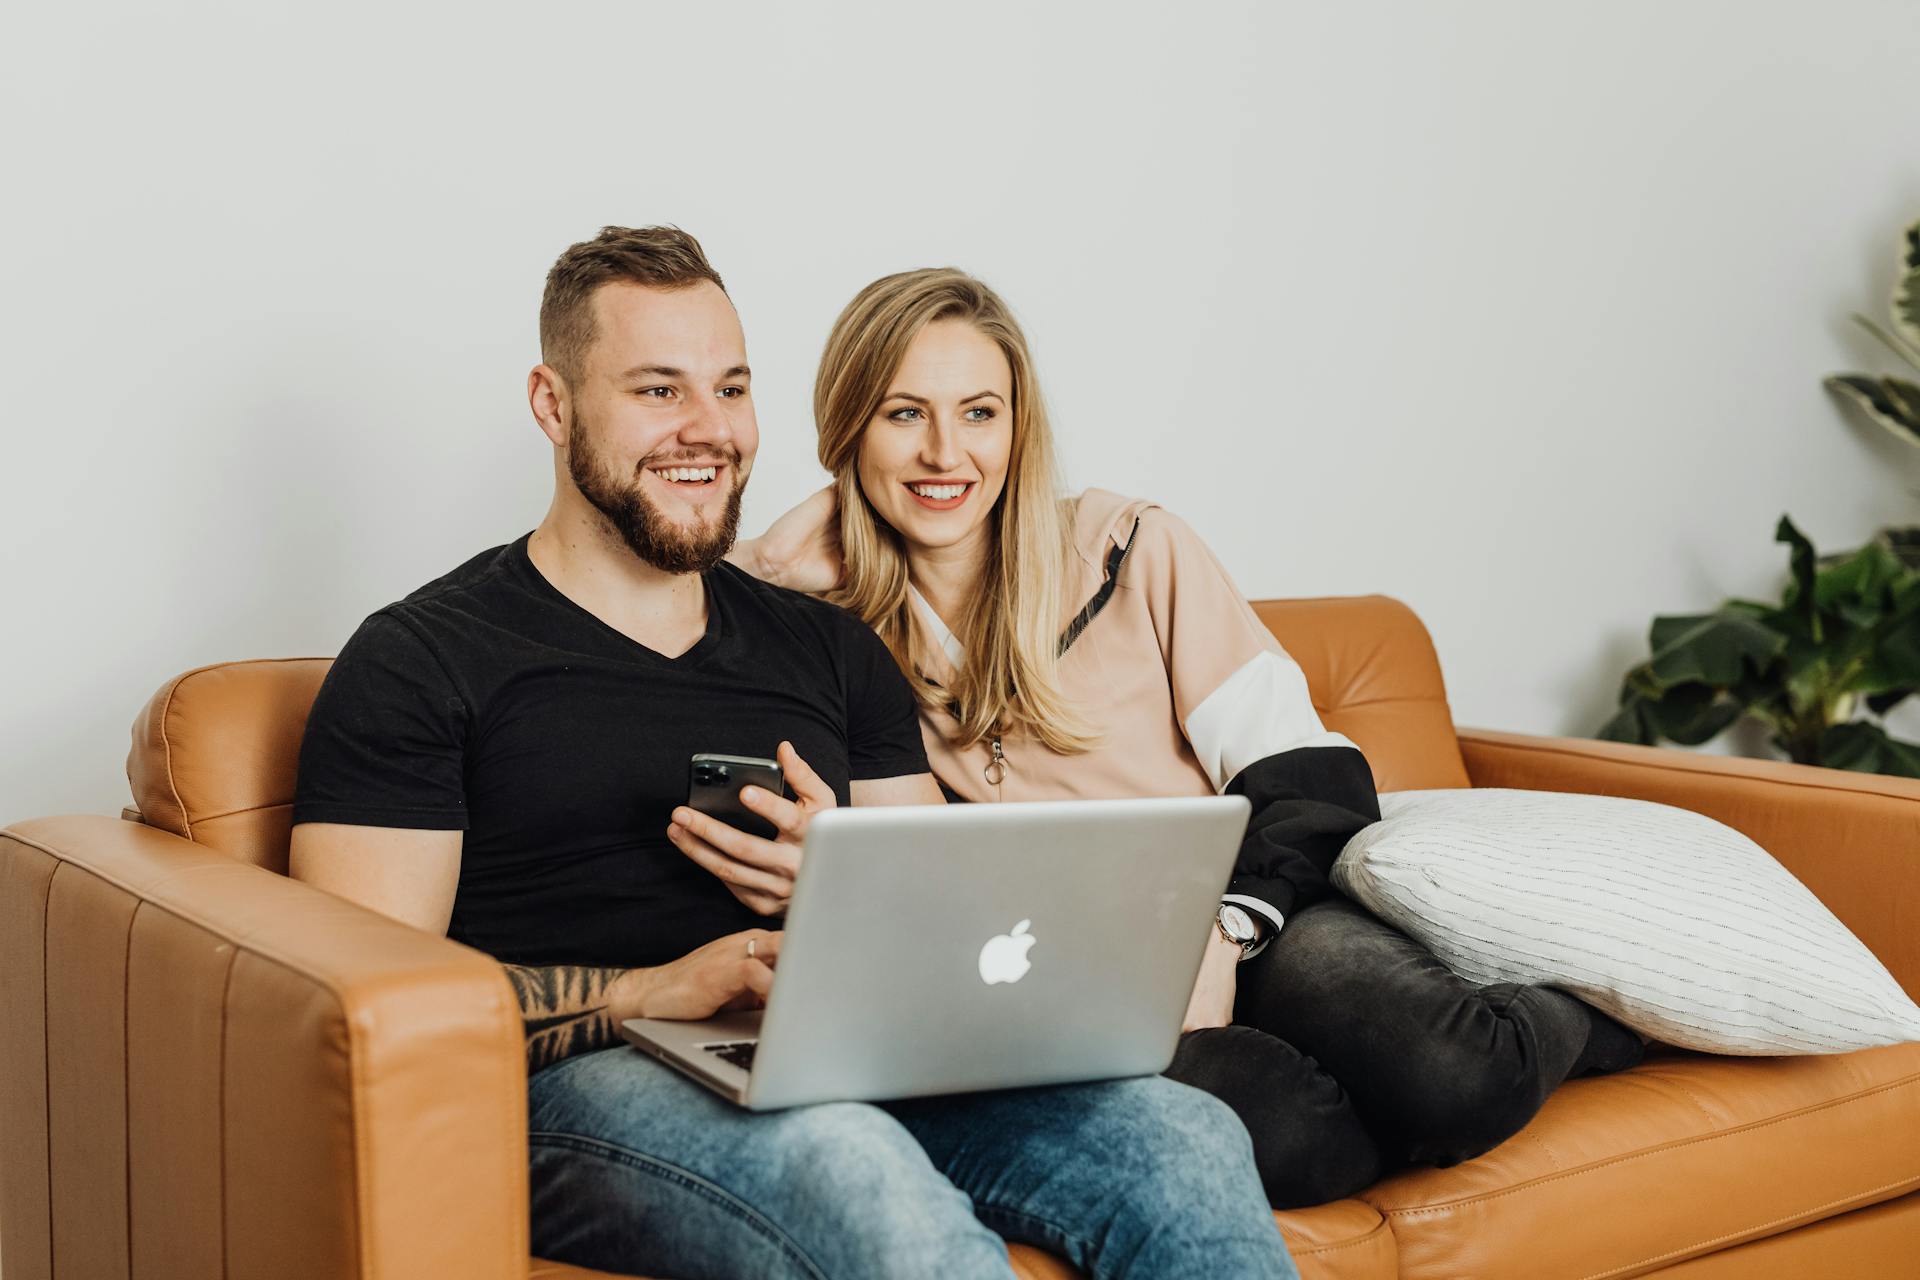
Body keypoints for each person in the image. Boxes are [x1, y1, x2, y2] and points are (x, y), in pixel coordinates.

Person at [285, 227, 1297, 1280]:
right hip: (586, 1077)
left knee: (1183, 1139)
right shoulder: (422, 659)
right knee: (849, 1166)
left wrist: (849, 876)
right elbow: (357, 1005)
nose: (710, 429)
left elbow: (949, 930)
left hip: (845, 1051)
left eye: (731, 389)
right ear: (552, 403)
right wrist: (647, 991)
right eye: (659, 390)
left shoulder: (830, 648)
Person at [727, 267, 1646, 1207]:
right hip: (1080, 984)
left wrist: (1220, 932)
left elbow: (1310, 781)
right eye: (903, 414)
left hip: (1255, 918)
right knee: (1284, 1140)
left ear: (1017, 427)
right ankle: (1395, 1113)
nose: (945, 452)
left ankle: (1588, 1019)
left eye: (979, 413)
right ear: (849, 429)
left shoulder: (1132, 550)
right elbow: (697, 687)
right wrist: (760, 563)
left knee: (1456, 1076)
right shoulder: (832, 636)